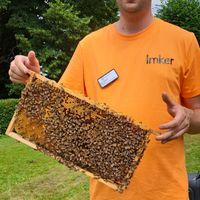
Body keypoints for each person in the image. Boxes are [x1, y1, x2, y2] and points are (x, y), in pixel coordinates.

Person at [8, 0, 200, 199]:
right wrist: (33, 80)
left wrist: (188, 116)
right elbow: (58, 114)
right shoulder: (89, 46)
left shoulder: (183, 41)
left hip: (167, 193)